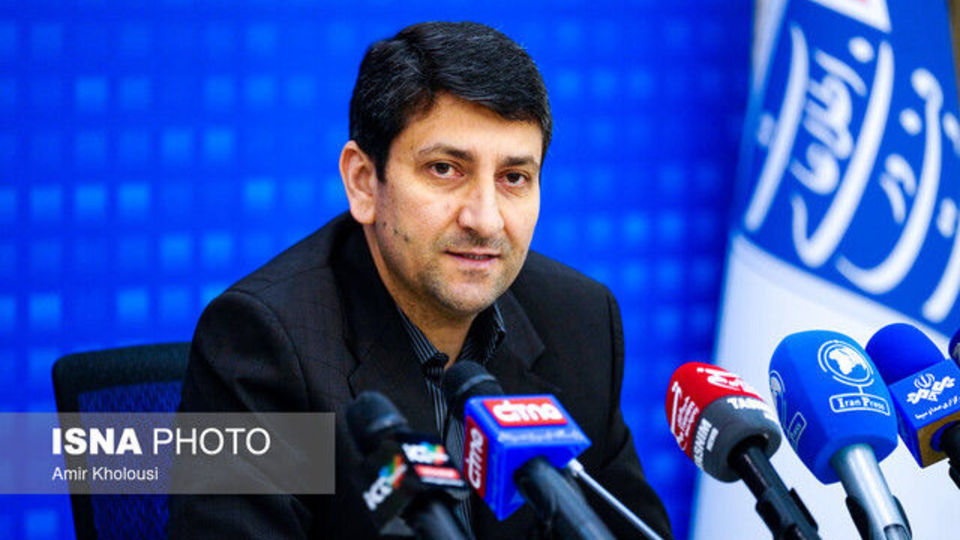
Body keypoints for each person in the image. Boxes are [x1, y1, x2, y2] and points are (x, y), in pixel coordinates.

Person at [169, 21, 673, 539]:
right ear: (364, 182)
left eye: (514, 178)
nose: (486, 220)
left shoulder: (579, 320)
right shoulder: (264, 344)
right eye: (445, 169)